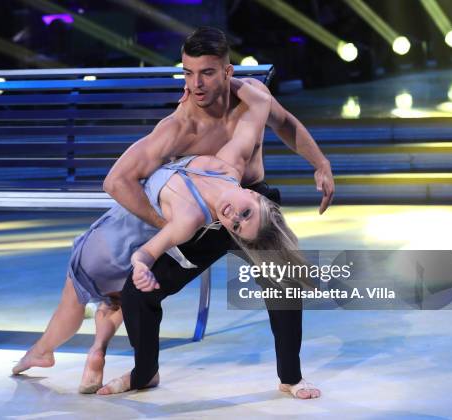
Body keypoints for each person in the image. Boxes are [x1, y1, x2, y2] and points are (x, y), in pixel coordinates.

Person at [11, 76, 297, 394]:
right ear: (256, 196)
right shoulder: (228, 165)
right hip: (122, 233)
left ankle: (45, 351)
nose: (235, 216)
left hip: (116, 239)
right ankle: (94, 352)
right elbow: (259, 104)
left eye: (237, 225)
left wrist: (142, 265)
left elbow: (145, 248)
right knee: (113, 301)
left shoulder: (190, 219)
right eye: (246, 212)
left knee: (80, 300)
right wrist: (221, 80)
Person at [98, 27, 334, 399]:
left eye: (206, 72)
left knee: (284, 277)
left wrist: (319, 163)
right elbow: (117, 181)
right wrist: (169, 226)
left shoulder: (253, 96)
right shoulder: (178, 128)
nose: (196, 84)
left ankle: (290, 376)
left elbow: (285, 122)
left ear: (227, 71)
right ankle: (145, 373)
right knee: (136, 294)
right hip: (201, 218)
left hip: (250, 202)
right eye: (188, 73)